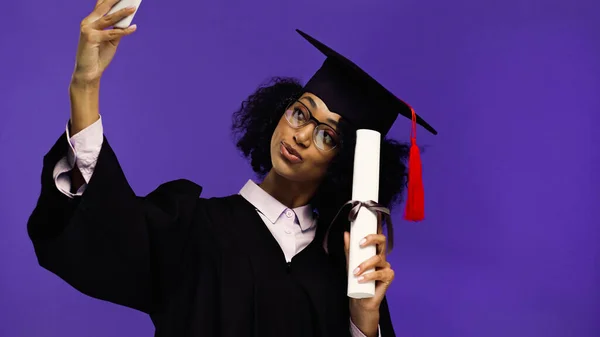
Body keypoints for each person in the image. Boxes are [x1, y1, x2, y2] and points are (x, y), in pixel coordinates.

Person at [27, 1, 437, 337]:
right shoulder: (191, 226)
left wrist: (365, 318)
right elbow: (107, 233)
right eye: (300, 113)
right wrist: (85, 86)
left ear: (344, 164)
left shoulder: (343, 270)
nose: (300, 136)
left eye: (328, 136)